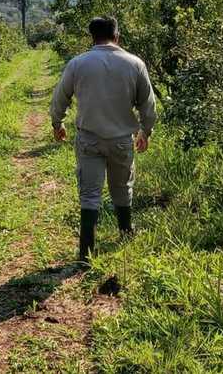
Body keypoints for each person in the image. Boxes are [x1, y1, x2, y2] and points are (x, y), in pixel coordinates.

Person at [50, 16, 156, 262]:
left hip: (89, 140)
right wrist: (145, 131)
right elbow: (148, 105)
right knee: (122, 189)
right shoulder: (135, 63)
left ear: (92, 37)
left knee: (89, 194)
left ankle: (86, 252)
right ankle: (126, 234)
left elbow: (60, 98)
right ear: (117, 36)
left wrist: (58, 123)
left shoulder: (78, 64)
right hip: (121, 140)